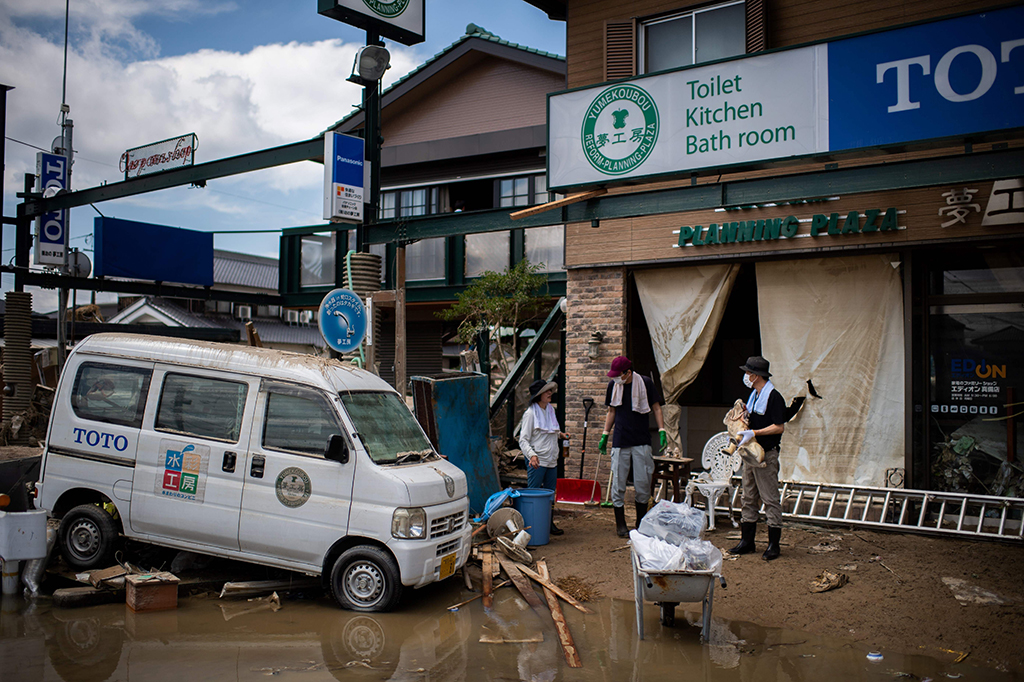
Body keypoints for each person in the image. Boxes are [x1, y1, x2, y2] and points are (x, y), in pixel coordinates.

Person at [597, 356, 666, 537]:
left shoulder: (645, 383)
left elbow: (657, 407)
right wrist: (605, 434)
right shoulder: (613, 386)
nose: (615, 378)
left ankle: (640, 522)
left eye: (618, 375)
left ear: (628, 373)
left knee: (643, 482)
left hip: (641, 439)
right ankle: (621, 524)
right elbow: (611, 410)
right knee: (618, 481)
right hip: (620, 439)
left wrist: (662, 429)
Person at [728, 356, 786, 561]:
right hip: (750, 454)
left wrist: (755, 432)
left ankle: (773, 544)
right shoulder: (754, 395)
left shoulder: (774, 397)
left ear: (756, 375)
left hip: (766, 454)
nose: (746, 376)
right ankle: (747, 541)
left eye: (748, 372)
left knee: (770, 498)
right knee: (748, 496)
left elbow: (779, 426)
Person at [519, 379, 569, 536]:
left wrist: (561, 434)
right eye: (547, 391)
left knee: (549, 493)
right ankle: (531, 525)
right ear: (538, 395)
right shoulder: (530, 414)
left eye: (550, 391)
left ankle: (548, 523)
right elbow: (523, 440)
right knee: (533, 493)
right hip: (537, 460)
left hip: (552, 459)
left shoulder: (550, 410)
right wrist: (532, 455)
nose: (550, 393)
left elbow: (550, 430)